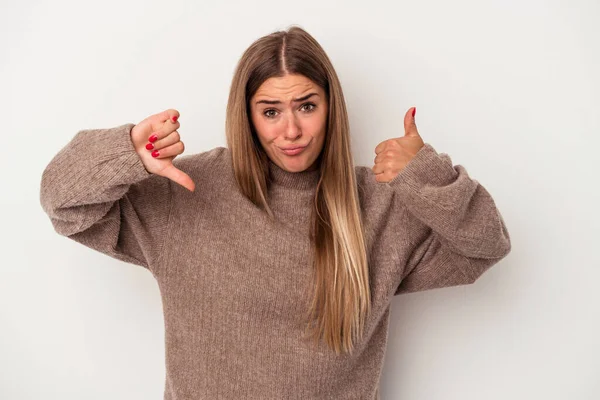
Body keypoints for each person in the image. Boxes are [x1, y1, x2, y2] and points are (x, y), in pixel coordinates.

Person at [39, 26, 511, 400]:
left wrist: (427, 176)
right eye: (270, 111)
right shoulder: (186, 192)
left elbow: (485, 247)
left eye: (307, 106)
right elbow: (61, 204)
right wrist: (125, 153)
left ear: (331, 108)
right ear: (246, 115)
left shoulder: (379, 204)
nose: (291, 130)